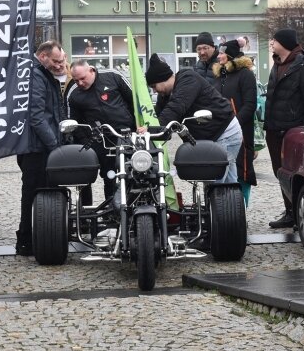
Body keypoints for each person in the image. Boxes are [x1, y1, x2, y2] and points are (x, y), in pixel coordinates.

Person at [146, 53, 242, 185]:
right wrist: (145, 128)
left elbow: (176, 108)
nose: (155, 91)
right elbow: (158, 117)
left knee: (215, 185)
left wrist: (151, 131)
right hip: (212, 137)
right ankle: (236, 205)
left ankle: (222, 204)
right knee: (229, 184)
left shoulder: (187, 79)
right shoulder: (166, 95)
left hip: (224, 134)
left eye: (154, 86)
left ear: (162, 79)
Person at [264, 28, 304, 229]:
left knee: (295, 173)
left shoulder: (303, 66)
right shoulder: (277, 64)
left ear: (284, 43)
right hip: (274, 129)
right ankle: (290, 212)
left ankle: (299, 214)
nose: (271, 42)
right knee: (280, 172)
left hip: (292, 130)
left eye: (274, 40)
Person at [15, 40, 66, 256]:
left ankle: (41, 238)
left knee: (45, 193)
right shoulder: (35, 75)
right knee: (33, 194)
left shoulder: (44, 74)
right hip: (36, 148)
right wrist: (55, 145)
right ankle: (26, 241)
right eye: (56, 61)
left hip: (42, 145)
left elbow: (55, 111)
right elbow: (36, 117)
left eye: (62, 60)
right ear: (43, 56)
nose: (60, 65)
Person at [66, 60, 135, 200]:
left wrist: (137, 126)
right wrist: (87, 141)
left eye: (82, 78)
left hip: (126, 135)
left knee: (133, 171)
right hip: (101, 140)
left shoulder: (113, 76)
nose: (79, 83)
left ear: (91, 70)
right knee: (108, 175)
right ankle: (111, 207)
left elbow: (134, 100)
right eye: (75, 80)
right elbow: (74, 122)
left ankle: (133, 205)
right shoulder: (74, 93)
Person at [210, 38, 258, 205]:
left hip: (241, 132)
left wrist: (233, 124)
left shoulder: (246, 75)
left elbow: (250, 104)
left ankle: (240, 208)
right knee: (220, 168)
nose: (219, 56)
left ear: (230, 55)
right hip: (219, 132)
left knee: (241, 169)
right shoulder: (218, 76)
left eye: (222, 53)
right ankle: (220, 208)